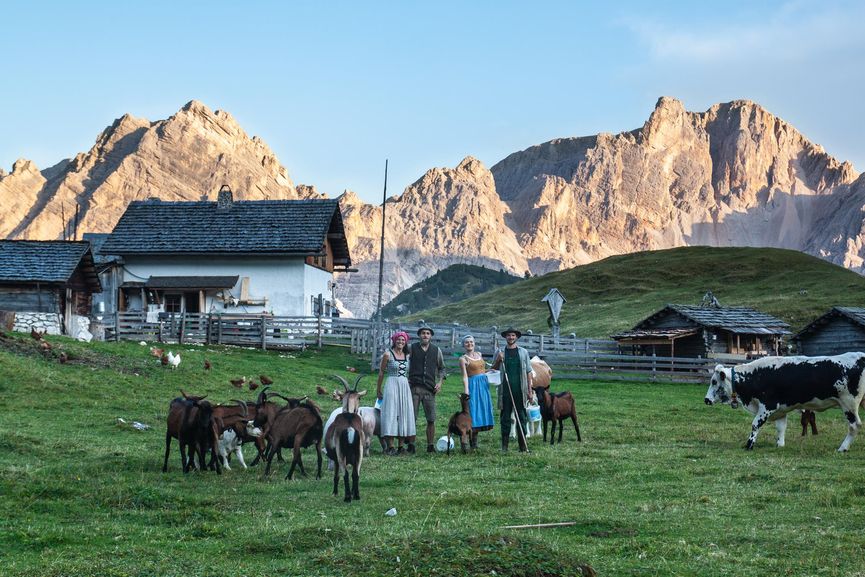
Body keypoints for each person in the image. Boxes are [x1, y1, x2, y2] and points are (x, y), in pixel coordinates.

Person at [490, 327, 533, 452]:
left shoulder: (523, 352)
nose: (511, 337)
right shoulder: (500, 352)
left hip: (520, 390)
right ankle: (504, 447)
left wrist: (530, 391)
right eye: (508, 335)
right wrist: (498, 360)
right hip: (505, 391)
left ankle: (523, 446)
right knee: (505, 418)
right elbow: (493, 370)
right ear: (505, 337)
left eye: (513, 335)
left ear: (517, 337)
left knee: (522, 417)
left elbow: (529, 372)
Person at [376, 331, 416, 455]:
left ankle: (400, 446)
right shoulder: (388, 355)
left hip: (404, 385)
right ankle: (391, 446)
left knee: (403, 412)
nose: (401, 342)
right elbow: (381, 372)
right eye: (398, 340)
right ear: (394, 341)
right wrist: (378, 389)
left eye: (403, 340)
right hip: (392, 384)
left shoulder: (407, 355)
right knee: (391, 412)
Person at [408, 324, 445, 453]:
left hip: (430, 389)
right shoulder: (412, 348)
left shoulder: (436, 350)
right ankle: (411, 444)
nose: (425, 335)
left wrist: (440, 382)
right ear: (419, 335)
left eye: (428, 333)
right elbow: (404, 362)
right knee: (412, 418)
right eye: (423, 333)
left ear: (431, 336)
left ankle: (430, 445)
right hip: (414, 388)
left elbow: (442, 368)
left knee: (431, 418)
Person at [459, 335, 494, 449]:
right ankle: (466, 441)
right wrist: (466, 392)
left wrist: (489, 371)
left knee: (480, 412)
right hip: (473, 386)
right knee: (472, 412)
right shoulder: (463, 359)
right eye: (467, 342)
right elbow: (465, 376)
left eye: (471, 342)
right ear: (464, 345)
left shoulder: (479, 354)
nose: (469, 344)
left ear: (474, 343)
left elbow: (481, 370)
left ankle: (475, 443)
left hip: (483, 386)